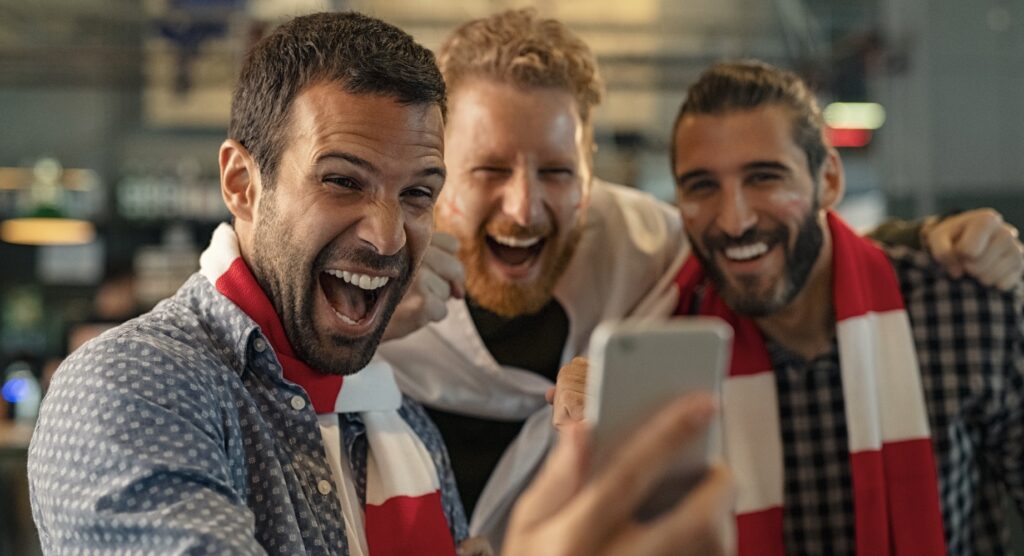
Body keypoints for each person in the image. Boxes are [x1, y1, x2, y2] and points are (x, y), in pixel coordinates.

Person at [26, 11, 736, 556]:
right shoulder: (131, 386)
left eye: (419, 193)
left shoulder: (394, 416)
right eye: (342, 181)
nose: (389, 236)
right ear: (243, 184)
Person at [377, 9, 1024, 548]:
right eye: (488, 169)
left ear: (590, 169)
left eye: (556, 171)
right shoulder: (370, 291)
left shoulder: (647, 251)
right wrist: (364, 321)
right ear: (438, 169)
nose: (523, 207)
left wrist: (927, 241)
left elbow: (783, 250)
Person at [666, 60, 1023, 555]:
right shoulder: (672, 349)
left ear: (829, 181)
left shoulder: (958, 308)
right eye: (702, 186)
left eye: (765, 177)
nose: (734, 220)